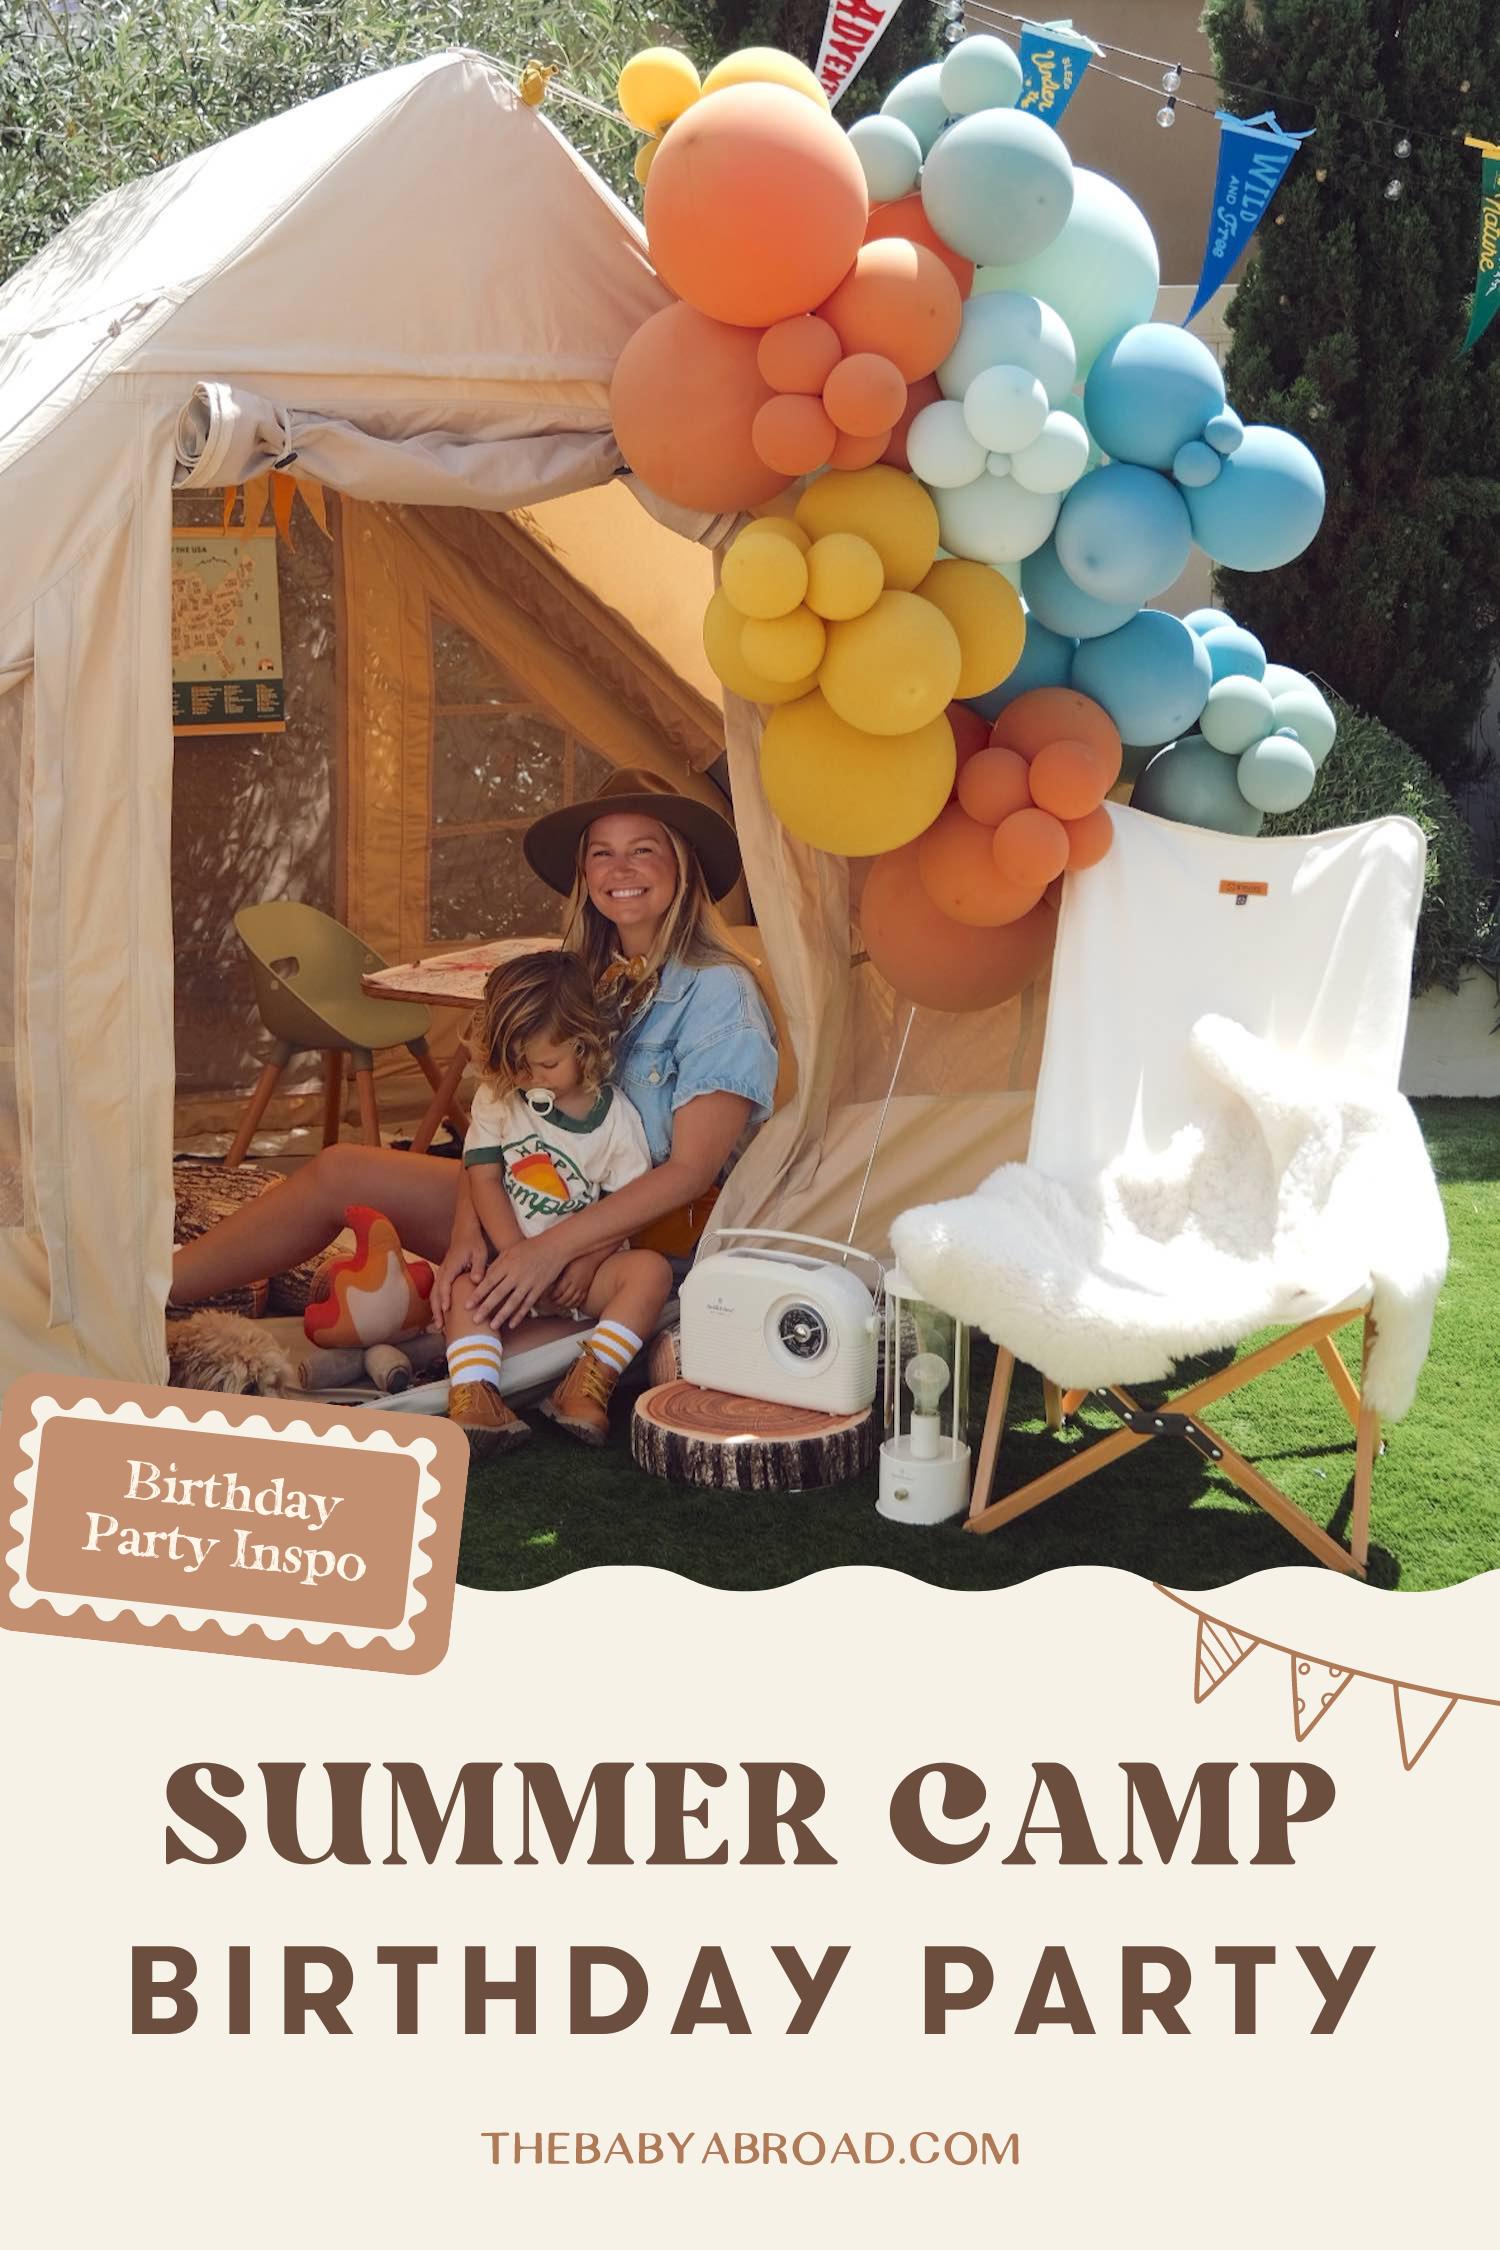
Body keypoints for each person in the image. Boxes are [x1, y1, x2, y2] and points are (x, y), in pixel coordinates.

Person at [169, 768, 779, 1444]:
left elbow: (689, 1173)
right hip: (536, 1196)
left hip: (642, 1244)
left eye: (644, 849)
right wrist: (469, 1231)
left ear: (682, 868)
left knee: (492, 1344)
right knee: (343, 1167)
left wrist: (544, 1252)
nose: (620, 869)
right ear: (583, 874)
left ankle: (496, 1360)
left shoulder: (719, 992)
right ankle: (148, 1292)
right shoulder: (582, 975)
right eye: (601, 852)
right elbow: (503, 1118)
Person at [441, 949, 671, 1456]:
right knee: (462, 1289)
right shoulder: (498, 1098)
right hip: (511, 1263)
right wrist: (513, 1258)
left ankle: (586, 1385)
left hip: (580, 1276)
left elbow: (625, 1204)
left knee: (651, 1272)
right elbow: (483, 1177)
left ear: (585, 1048)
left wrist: (585, 1263)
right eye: (516, 1065)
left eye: (547, 1063)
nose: (530, 1078)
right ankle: (476, 1395)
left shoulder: (616, 1121)